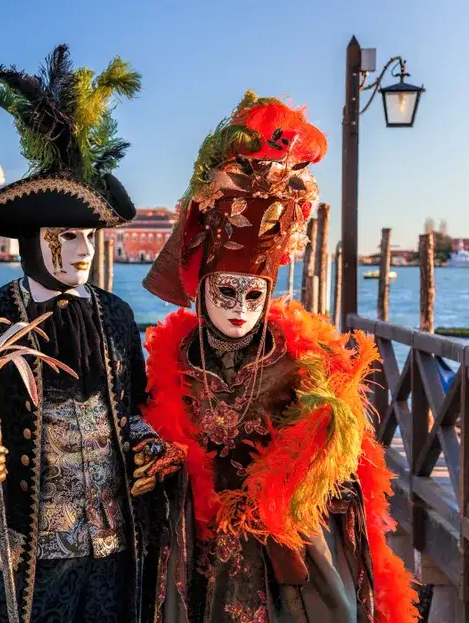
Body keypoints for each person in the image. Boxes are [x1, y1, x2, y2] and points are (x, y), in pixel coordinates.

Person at [139, 91, 418, 622]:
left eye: (253, 295)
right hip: (195, 546)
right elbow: (153, 431)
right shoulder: (172, 364)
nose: (241, 309)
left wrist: (290, 477)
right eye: (226, 293)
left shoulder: (303, 363)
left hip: (279, 547)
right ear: (202, 293)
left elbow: (342, 461)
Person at [0, 44, 182, 623]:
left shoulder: (116, 315)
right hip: (26, 560)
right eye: (68, 235)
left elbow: (132, 406)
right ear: (33, 238)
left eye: (90, 236)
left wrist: (149, 444)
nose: (84, 250)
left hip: (113, 554)